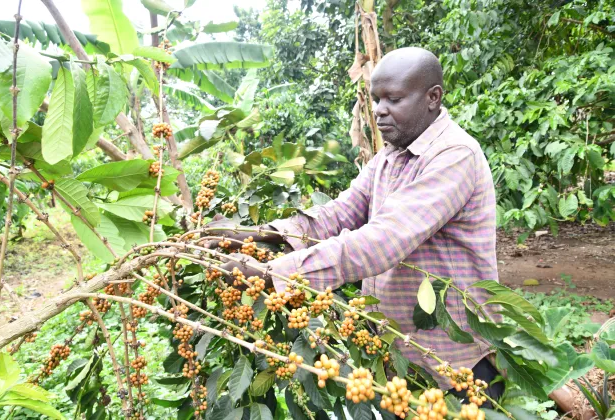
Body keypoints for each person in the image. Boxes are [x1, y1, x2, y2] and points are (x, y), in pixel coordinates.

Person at [205, 47, 503, 403]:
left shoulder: (454, 156)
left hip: (457, 363)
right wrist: (256, 233)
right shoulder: (389, 157)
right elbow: (338, 214)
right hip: (399, 360)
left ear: (432, 98)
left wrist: (273, 273)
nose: (379, 110)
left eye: (393, 99)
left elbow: (382, 241)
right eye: (376, 99)